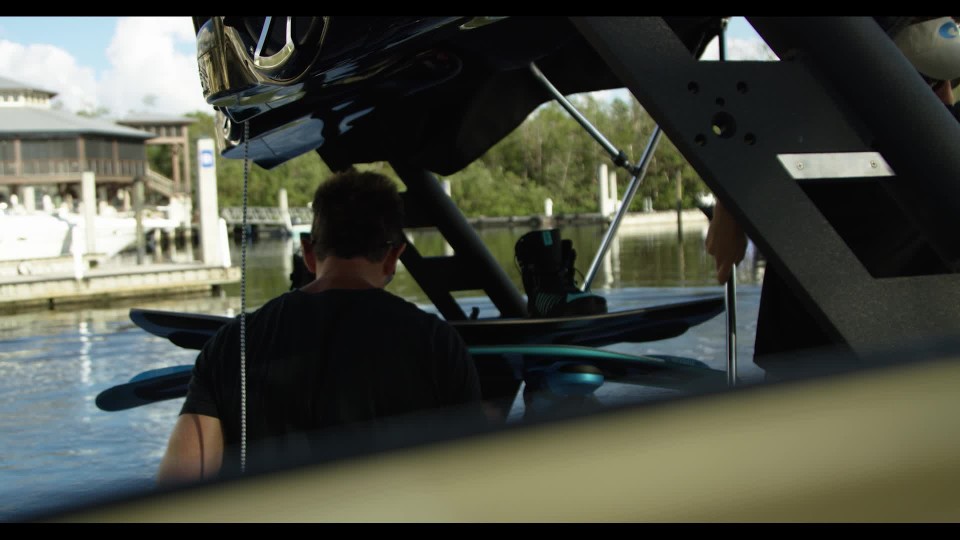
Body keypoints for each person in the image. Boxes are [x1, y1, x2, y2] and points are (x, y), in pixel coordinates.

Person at [156, 168, 484, 486]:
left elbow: (179, 486)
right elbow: (471, 480)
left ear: (309, 253)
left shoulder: (230, 344)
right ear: (393, 257)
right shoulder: (437, 343)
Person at [705, 16, 960, 380]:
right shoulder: (807, 122)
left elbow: (747, 128)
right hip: (892, 366)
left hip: (805, 362)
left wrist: (727, 211)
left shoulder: (795, 123)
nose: (946, 94)